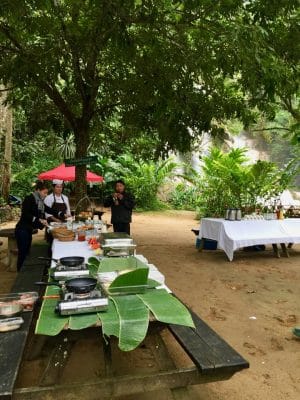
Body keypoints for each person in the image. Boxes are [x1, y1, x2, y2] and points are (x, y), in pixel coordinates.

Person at [15, 181, 65, 271]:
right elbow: (25, 214)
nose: (45, 195)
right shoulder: (29, 199)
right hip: (22, 229)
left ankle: (24, 271)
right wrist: (38, 219)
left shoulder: (40, 201)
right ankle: (20, 272)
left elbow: (49, 209)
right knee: (22, 252)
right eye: (44, 192)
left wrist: (60, 213)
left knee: (27, 251)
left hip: (28, 230)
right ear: (38, 190)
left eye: (47, 193)